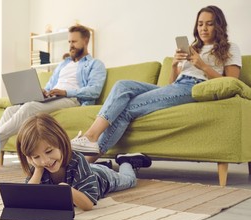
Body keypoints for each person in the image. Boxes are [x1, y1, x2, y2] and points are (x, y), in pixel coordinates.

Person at [71, 5, 242, 163]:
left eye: (209, 24)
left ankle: (88, 156)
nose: (203, 28)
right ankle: (90, 139)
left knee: (127, 108)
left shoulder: (230, 48)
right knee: (123, 86)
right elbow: (171, 86)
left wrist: (202, 65)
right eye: (200, 24)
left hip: (196, 88)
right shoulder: (194, 47)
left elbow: (231, 82)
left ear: (218, 26)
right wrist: (175, 66)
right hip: (178, 86)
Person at [0, 24, 106, 148]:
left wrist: (65, 92)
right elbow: (50, 86)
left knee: (29, 107)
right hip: (54, 97)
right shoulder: (63, 64)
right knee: (10, 110)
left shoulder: (95, 64)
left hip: (73, 99)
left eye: (74, 41)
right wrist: (44, 92)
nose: (71, 45)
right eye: (69, 41)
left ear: (85, 41)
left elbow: (94, 91)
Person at [16, 113, 151, 211]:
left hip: (102, 177)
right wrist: (38, 170)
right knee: (86, 169)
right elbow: (28, 197)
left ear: (61, 142)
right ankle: (100, 166)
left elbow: (88, 204)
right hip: (87, 171)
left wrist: (67, 190)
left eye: (49, 151)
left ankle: (125, 161)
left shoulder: (77, 160)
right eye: (36, 156)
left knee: (129, 180)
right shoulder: (38, 166)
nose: (45, 161)